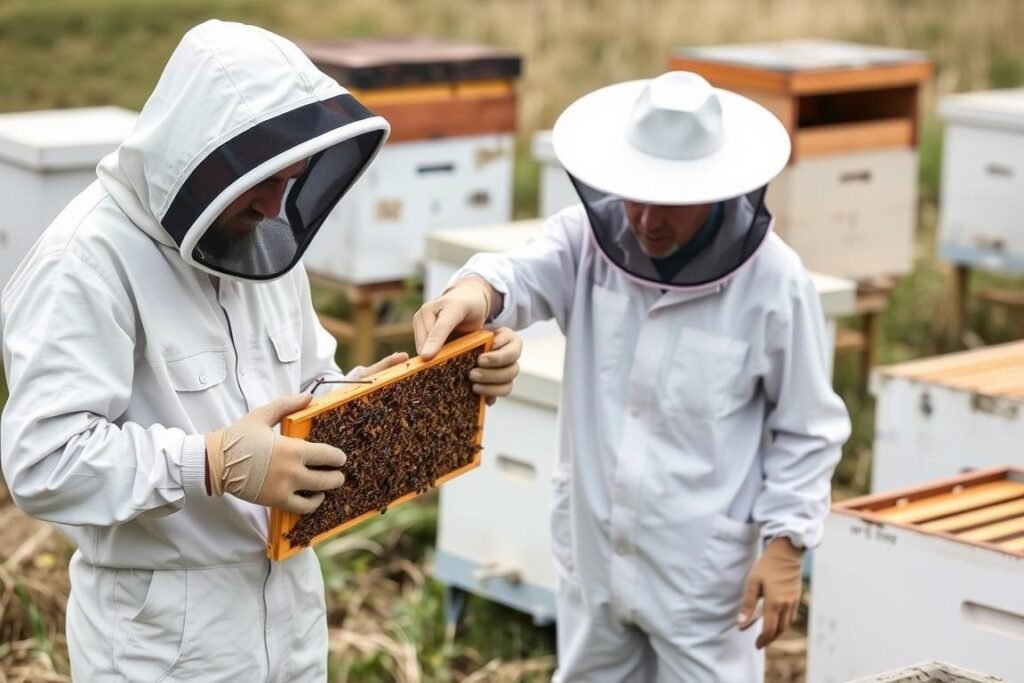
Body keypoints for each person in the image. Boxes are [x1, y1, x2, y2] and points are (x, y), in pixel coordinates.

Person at [0, 19, 521, 681]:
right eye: (263, 180)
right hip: (160, 643)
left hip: (291, 617)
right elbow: (41, 461)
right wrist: (208, 462)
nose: (277, 205)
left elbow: (307, 386)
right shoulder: (86, 262)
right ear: (201, 157)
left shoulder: (263, 246)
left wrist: (389, 389)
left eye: (293, 178)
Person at [413, 71, 851, 681]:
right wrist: (472, 293)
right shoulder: (587, 239)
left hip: (701, 574)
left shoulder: (775, 284)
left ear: (718, 189)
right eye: (634, 196)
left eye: (668, 202)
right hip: (593, 552)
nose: (644, 219)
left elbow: (808, 427)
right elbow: (519, 275)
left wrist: (787, 544)